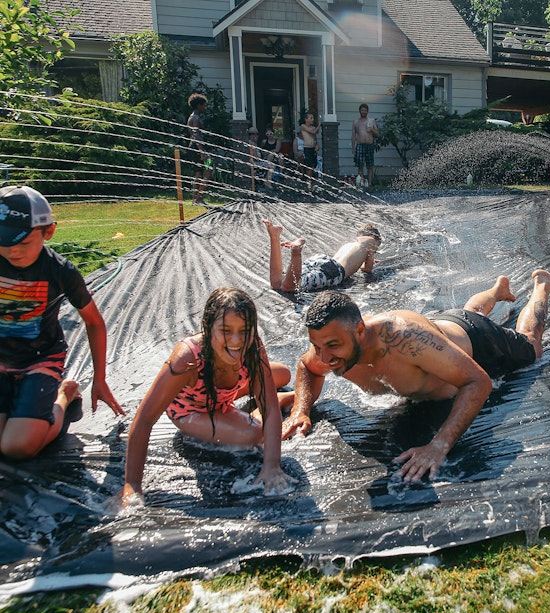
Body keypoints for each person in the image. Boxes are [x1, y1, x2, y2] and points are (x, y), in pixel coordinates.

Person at [282, 270, 550, 482]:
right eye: (317, 346)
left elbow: (477, 381)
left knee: (530, 344)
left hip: (477, 340)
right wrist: (300, 409)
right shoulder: (330, 345)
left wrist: (438, 446)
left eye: (332, 346)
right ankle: (496, 290)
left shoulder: (403, 338)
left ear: (359, 330)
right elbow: (306, 366)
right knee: (471, 311)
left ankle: (542, 285)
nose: (324, 358)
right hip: (445, 331)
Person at [118, 287, 296, 505]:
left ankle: (263, 399)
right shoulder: (187, 358)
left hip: (223, 394)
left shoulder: (252, 346)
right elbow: (144, 419)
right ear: (208, 327)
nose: (236, 340)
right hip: (191, 410)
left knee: (283, 374)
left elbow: (269, 408)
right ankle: (271, 402)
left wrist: (272, 466)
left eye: (244, 330)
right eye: (225, 330)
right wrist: (132, 485)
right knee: (255, 433)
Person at [0, 186, 124, 460]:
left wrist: (100, 379)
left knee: (16, 448)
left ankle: (65, 394)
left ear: (49, 232)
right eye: (4, 242)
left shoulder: (59, 271)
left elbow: (93, 322)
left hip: (39, 358)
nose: (12, 252)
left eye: (22, 244)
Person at [263, 220, 382, 293]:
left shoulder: (351, 244)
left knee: (277, 283)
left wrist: (360, 261)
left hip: (323, 261)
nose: (377, 247)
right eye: (378, 244)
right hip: (334, 271)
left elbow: (350, 260)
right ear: (374, 236)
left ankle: (274, 237)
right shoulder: (371, 241)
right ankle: (296, 252)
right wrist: (366, 261)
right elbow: (368, 269)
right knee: (290, 287)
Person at [185, 93, 211, 206]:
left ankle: (195, 199)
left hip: (193, 147)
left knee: (198, 174)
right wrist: (202, 151)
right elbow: (196, 135)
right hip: (198, 148)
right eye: (204, 105)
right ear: (198, 106)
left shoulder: (191, 117)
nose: (205, 108)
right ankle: (199, 198)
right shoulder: (195, 118)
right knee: (209, 171)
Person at [352, 103, 378, 187]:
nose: (364, 112)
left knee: (370, 165)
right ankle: (361, 183)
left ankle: (369, 183)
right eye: (362, 110)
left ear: (367, 111)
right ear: (359, 111)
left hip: (369, 145)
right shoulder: (356, 122)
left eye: (365, 110)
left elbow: (377, 133)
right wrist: (353, 147)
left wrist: (372, 130)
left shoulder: (371, 121)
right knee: (360, 165)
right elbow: (353, 136)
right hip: (360, 145)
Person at [246, 126, 275, 190]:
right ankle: (268, 183)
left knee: (271, 156)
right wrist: (262, 160)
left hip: (258, 161)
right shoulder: (251, 143)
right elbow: (255, 157)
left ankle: (266, 181)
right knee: (272, 166)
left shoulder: (254, 143)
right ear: (250, 135)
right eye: (253, 134)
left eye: (257, 134)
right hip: (255, 163)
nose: (256, 135)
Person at [299, 112, 320, 181]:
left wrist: (317, 144)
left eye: (313, 118)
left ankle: (309, 179)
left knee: (313, 165)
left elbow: (314, 137)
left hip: (313, 148)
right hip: (307, 148)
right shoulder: (303, 126)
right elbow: (313, 132)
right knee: (309, 165)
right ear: (306, 119)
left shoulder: (313, 127)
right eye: (311, 118)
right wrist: (319, 125)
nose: (312, 119)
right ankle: (308, 181)